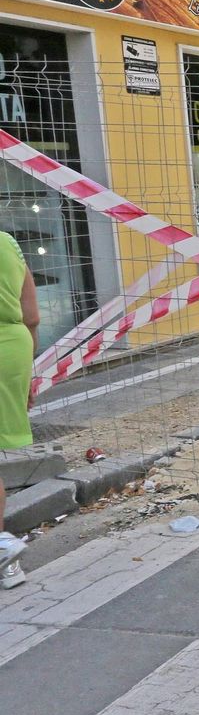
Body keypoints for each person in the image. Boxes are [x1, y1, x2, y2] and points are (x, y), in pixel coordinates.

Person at [0, 231, 40, 589]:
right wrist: (27, 372)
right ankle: (4, 559)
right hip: (11, 351)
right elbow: (31, 316)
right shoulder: (7, 243)